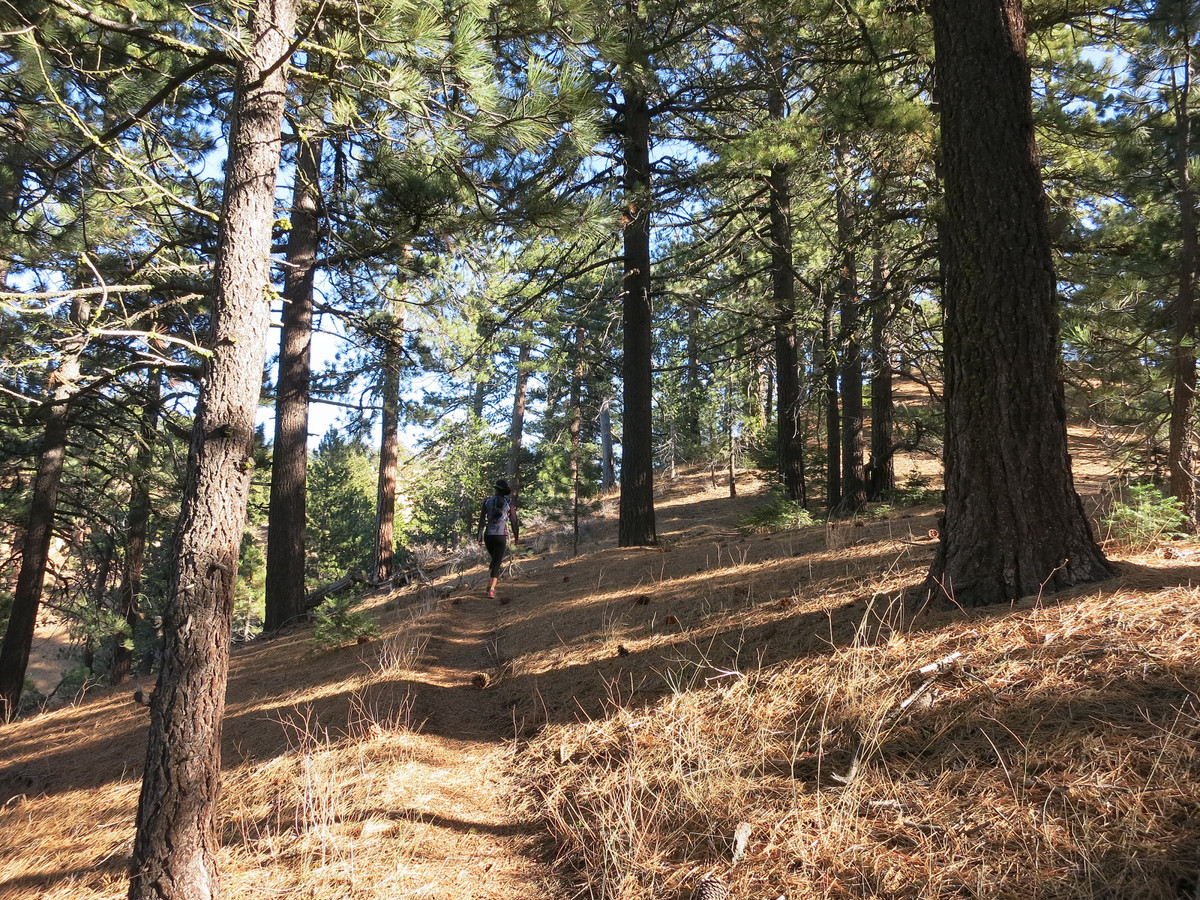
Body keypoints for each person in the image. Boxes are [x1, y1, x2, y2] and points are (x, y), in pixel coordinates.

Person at [477, 479, 520, 599]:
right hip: (501, 536)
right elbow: (514, 521)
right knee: (496, 562)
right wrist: (516, 537)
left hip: (488, 536)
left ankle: (490, 583)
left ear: (496, 490)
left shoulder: (487, 501)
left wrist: (479, 537)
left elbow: (481, 520)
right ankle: (491, 589)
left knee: (494, 560)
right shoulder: (508, 503)